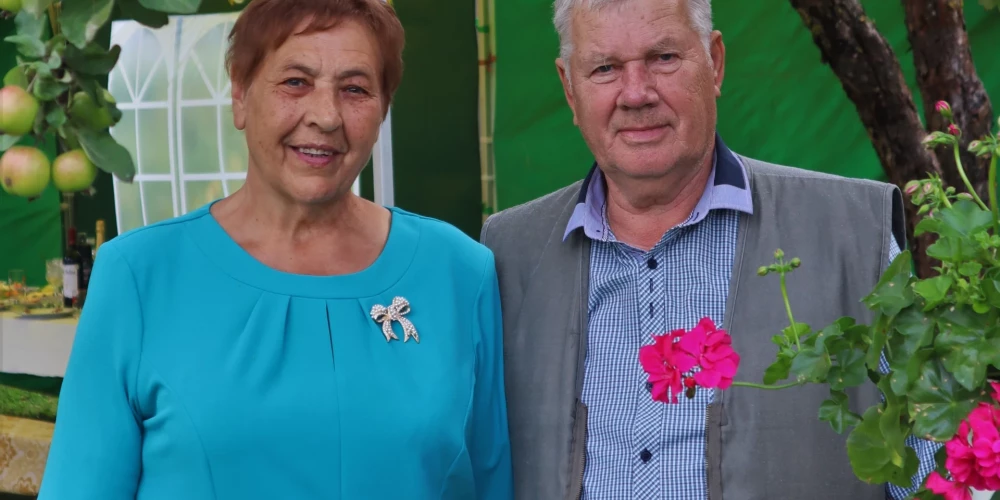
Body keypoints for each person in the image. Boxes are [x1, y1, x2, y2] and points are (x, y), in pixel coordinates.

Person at [38, 1, 512, 499]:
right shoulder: (138, 277)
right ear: (240, 94)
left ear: (384, 107)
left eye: (354, 89)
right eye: (295, 82)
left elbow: (493, 483)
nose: (326, 116)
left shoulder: (460, 273)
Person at [479, 0, 938, 499]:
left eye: (663, 58)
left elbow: (929, 472)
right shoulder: (507, 257)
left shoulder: (851, 234)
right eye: (605, 68)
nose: (636, 93)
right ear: (570, 88)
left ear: (715, 62)